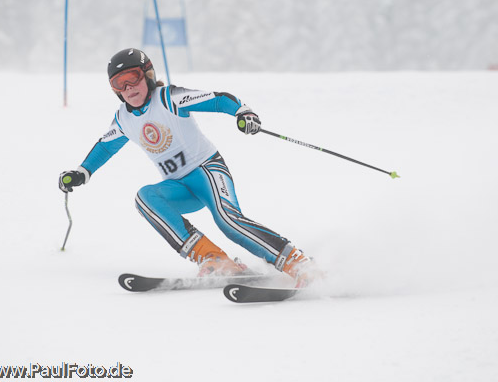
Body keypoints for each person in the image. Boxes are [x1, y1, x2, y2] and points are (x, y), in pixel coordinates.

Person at [59, 48, 317, 287]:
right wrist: (82, 172)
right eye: (119, 83)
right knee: (145, 198)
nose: (128, 88)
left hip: (208, 171)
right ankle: (214, 260)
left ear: (148, 76)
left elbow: (218, 100)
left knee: (227, 221)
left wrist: (243, 112)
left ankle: (297, 263)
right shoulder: (123, 119)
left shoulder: (168, 98)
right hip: (179, 187)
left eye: (133, 78)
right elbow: (105, 147)